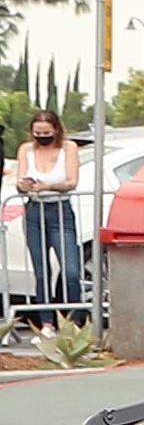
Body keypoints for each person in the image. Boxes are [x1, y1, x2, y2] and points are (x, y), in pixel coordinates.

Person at [12, 115, 81, 310]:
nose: (42, 137)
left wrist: (49, 186)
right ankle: (46, 322)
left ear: (57, 130)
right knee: (41, 272)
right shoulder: (26, 149)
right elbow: (20, 180)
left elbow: (71, 181)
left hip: (60, 210)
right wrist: (24, 186)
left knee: (71, 271)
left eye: (46, 133)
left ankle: (73, 321)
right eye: (37, 133)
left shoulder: (69, 148)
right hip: (34, 211)